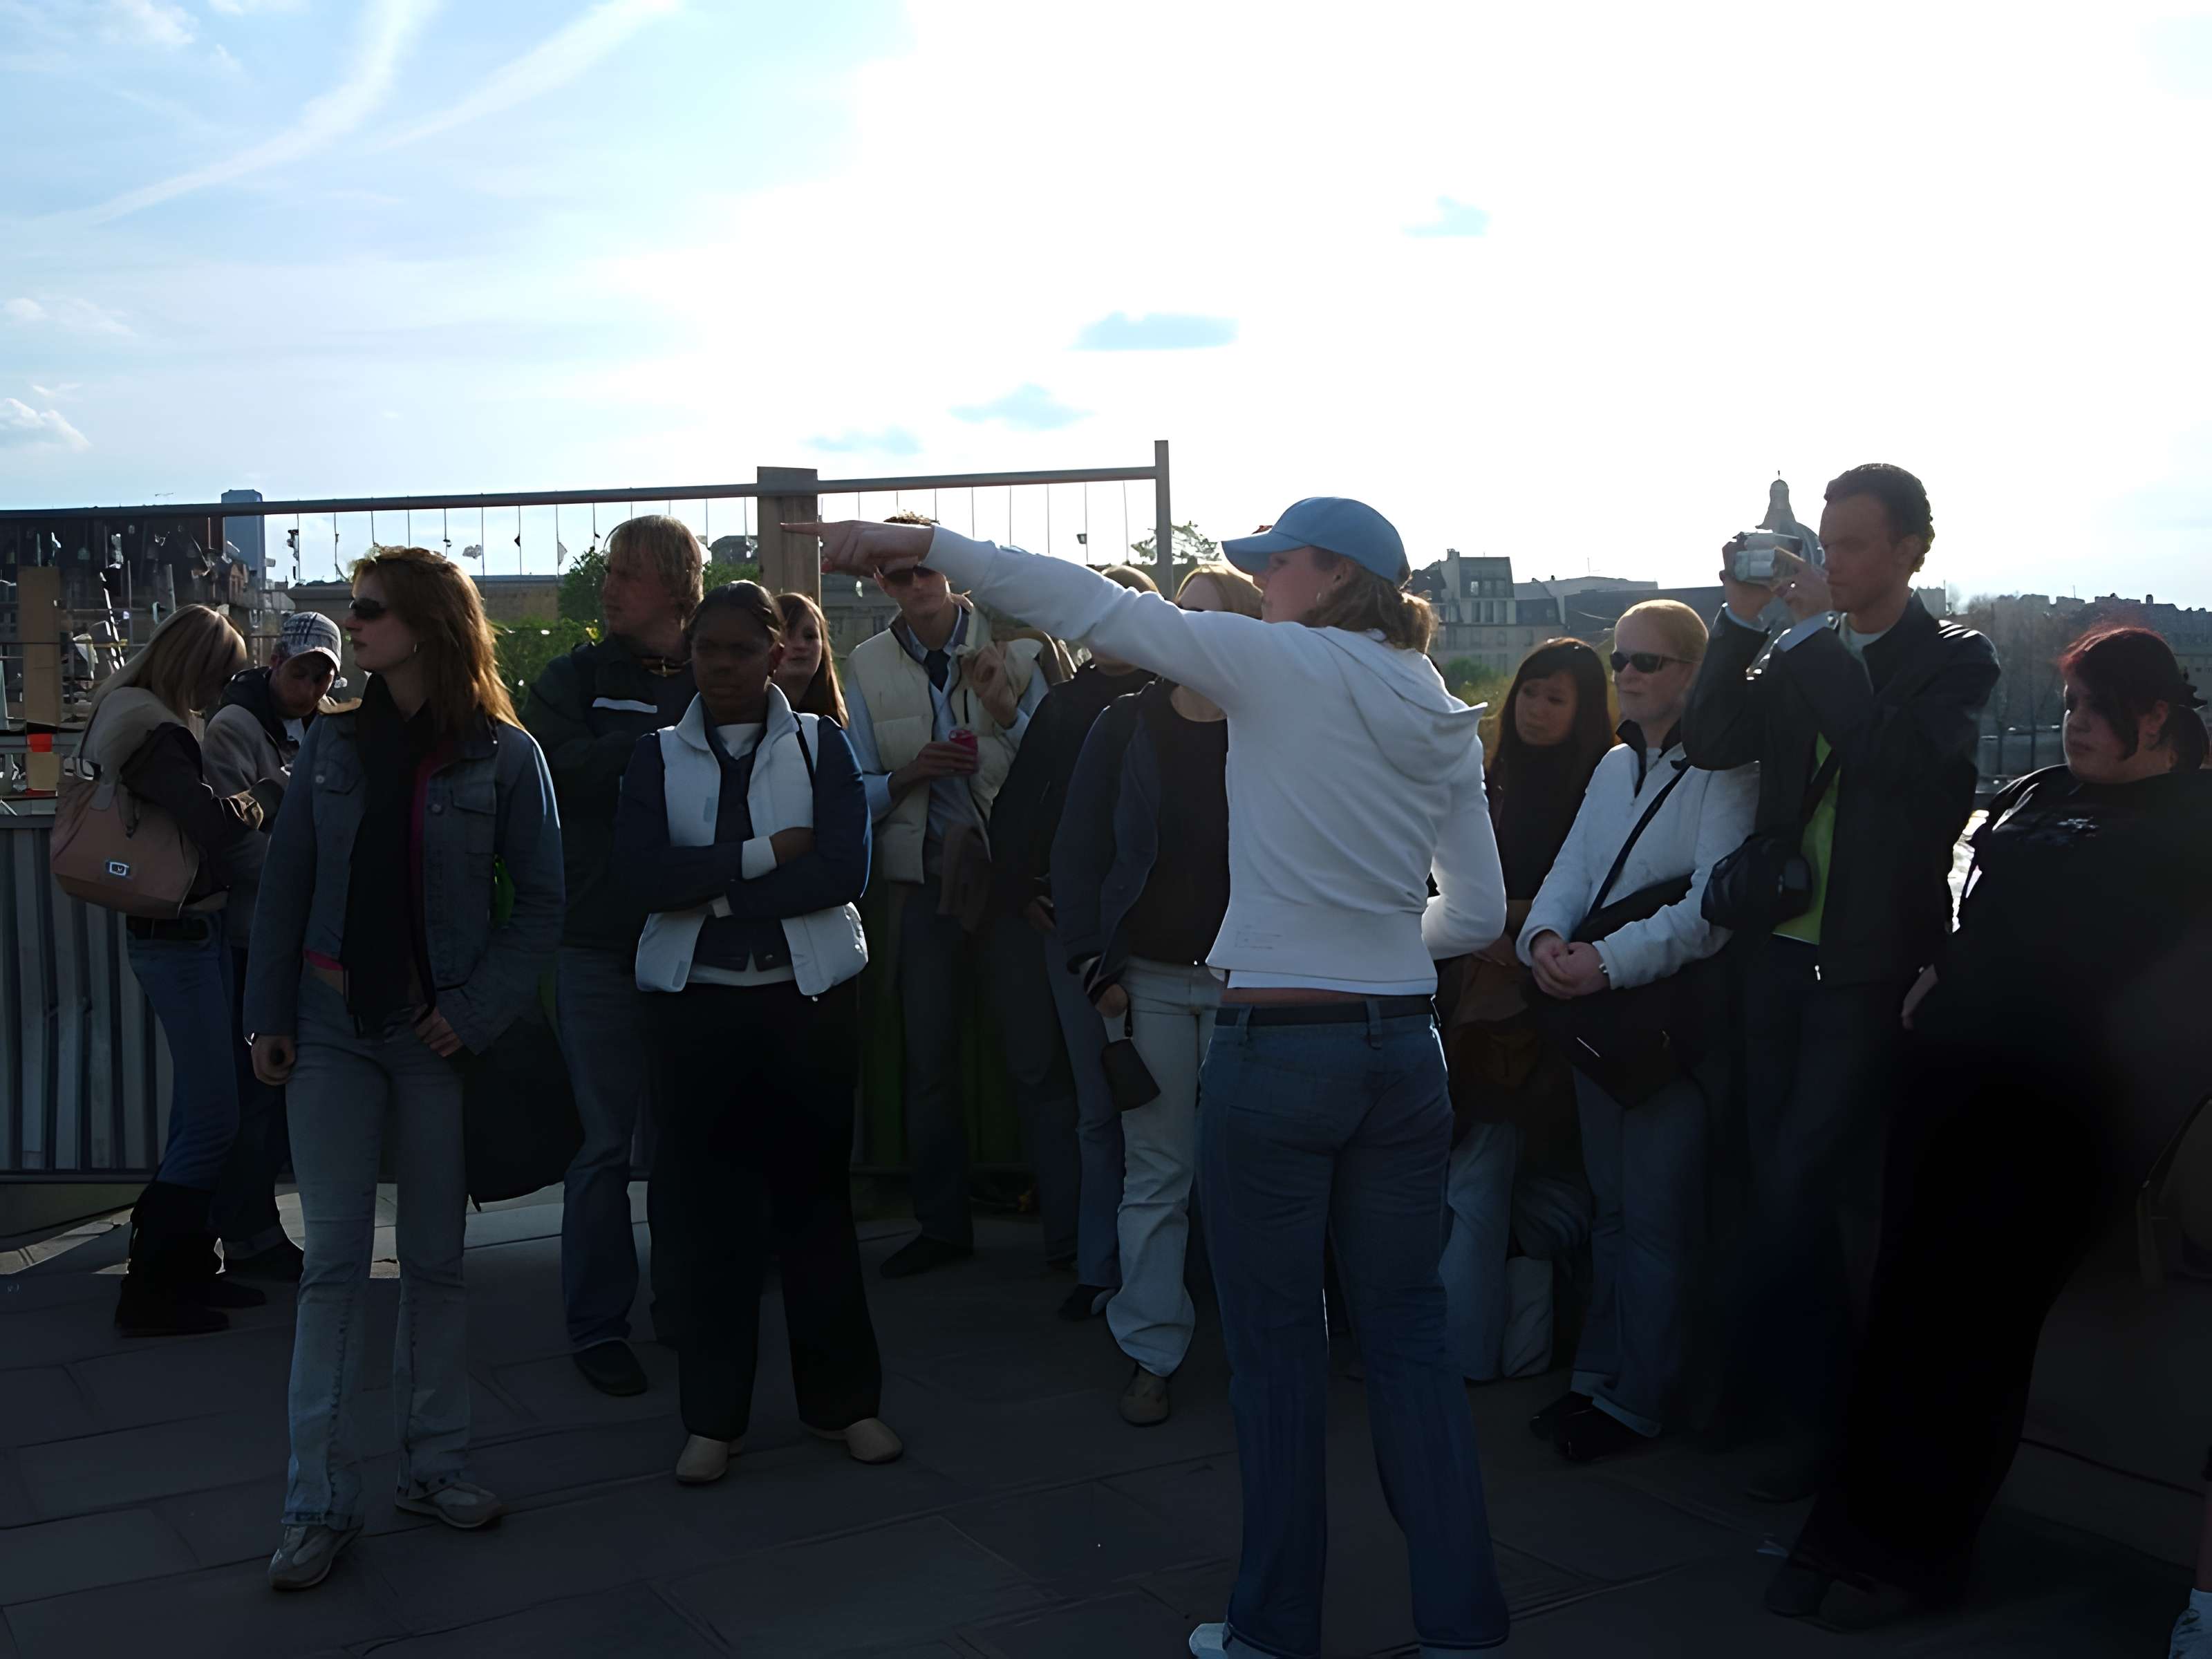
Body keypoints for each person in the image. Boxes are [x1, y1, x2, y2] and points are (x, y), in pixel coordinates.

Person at [800, 497, 1513, 1659]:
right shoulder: (1435, 705)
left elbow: (1090, 605)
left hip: (1283, 1048)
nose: (1262, 581)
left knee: (1278, 1353)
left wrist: (934, 545)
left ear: (1332, 576)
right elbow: (1476, 912)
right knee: (1409, 1342)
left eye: (1276, 564)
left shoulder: (1282, 664)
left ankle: (1277, 1629)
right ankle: (1464, 1627)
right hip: (1403, 1051)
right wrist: (1372, 941)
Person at [1768, 625, 2212, 1628]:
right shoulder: (2042, 793)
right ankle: (1845, 1533)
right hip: (1950, 1085)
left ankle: (1915, 1555)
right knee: (1903, 1308)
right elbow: (1982, 910)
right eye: (2069, 707)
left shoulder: (2198, 819)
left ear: (2157, 717)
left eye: (2097, 710)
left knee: (1977, 1328)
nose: (2076, 726)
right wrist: (1940, 971)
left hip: (2066, 1108)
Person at [1682, 462, 1998, 1500]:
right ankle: (1812, 1414)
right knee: (1777, 1179)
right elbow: (1711, 739)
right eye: (1827, 542)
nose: (1834, 561)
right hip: (1780, 947)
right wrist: (1734, 626)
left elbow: (1890, 761)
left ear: (1913, 551)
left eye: (1856, 544)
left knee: (1799, 1180)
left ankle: (1757, 1395)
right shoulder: (1787, 648)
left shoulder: (1953, 658)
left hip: (1866, 963)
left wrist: (1812, 641)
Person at [248, 545, 563, 1592]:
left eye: (369, 612)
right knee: (334, 1265)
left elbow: (545, 905)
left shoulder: (507, 758)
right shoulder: (331, 748)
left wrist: (474, 1015)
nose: (354, 626)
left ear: (425, 625)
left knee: (433, 1260)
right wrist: (267, 1019)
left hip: (434, 1036)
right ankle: (316, 1504)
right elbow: (287, 883)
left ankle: (435, 1466)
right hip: (332, 1024)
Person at [617, 581, 897, 1483]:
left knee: (816, 1207)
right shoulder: (655, 757)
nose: (724, 666)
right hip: (696, 1004)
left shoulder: (822, 746)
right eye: (709, 650)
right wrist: (758, 860)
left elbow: (841, 871)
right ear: (690, 656)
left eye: (742, 650)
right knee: (710, 1220)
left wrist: (721, 892)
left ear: (776, 656)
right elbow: (647, 879)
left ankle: (842, 1404)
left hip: (806, 1000)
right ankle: (714, 1418)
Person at [1516, 601, 1757, 1461]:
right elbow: (1572, 868)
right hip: (1604, 1013)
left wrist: (1599, 964)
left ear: (1694, 673)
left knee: (1656, 1220)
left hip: (1664, 1029)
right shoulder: (1616, 763)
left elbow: (1710, 913)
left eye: (1649, 663)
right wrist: (1542, 938)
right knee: (1614, 1211)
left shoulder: (1727, 768)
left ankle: (1641, 1397)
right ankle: (1600, 1378)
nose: (1626, 674)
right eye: (1621, 659)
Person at [1051, 563, 1260, 1424]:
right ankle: (1150, 1348)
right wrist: (1091, 964)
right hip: (1150, 982)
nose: (1185, 630)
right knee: (1157, 1173)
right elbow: (1079, 848)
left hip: (1252, 984)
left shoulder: (1269, 723)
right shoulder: (1123, 725)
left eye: (1205, 618)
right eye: (1177, 615)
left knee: (1254, 1174)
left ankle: (1269, 1348)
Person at [839, 511, 1064, 1280]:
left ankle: (1067, 1235)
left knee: (1034, 1060)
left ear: (948, 571)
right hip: (928, 877)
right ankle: (941, 1224)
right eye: (895, 576)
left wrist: (1004, 708)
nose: (913, 588)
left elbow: (1060, 768)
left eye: (922, 570)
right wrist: (911, 775)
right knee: (927, 1058)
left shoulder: (1021, 650)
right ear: (878, 583)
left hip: (1007, 881)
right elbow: (856, 787)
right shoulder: (866, 664)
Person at [525, 515, 700, 1397]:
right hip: (595, 940)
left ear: (675, 584)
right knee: (602, 1143)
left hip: (695, 936)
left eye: (629, 573)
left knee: (683, 1137)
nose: (609, 586)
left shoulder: (720, 667)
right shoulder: (572, 677)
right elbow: (558, 773)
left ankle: (683, 1305)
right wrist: (672, 752)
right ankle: (596, 1325)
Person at [86, 606, 280, 1338]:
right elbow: (215, 825)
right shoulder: (158, 733)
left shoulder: (136, 715)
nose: (223, 689)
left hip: (177, 936)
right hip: (180, 937)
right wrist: (265, 792)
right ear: (194, 667)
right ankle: (153, 1292)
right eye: (219, 674)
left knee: (200, 1110)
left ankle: (188, 1271)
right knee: (212, 1115)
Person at [1437, 637, 1613, 1385]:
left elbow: (1588, 895)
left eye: (1556, 697)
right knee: (1480, 1185)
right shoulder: (1488, 773)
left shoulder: (1593, 787)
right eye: (1530, 692)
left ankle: (1460, 1354)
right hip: (1468, 1000)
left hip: (1527, 1014)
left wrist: (1496, 919)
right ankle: (1498, 1341)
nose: (1537, 710)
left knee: (1478, 1184)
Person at [987, 563, 1159, 1320]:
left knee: (1166, 1116)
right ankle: (1099, 1266)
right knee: (1098, 1105)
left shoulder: (1187, 702)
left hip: (1168, 941)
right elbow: (1017, 815)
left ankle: (1176, 1269)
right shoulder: (1063, 709)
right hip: (1075, 934)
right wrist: (1025, 892)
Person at [200, 610, 344, 1283]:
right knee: (256, 1092)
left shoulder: (322, 728)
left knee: (281, 1092)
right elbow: (232, 841)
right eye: (302, 669)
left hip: (299, 939)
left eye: (322, 674)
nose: (311, 684)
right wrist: (309, 869)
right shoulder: (234, 728)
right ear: (275, 663)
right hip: (253, 936)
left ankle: (252, 1225)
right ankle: (248, 1229)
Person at [773, 589, 848, 724]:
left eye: (810, 636)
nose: (800, 645)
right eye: (787, 635)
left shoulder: (844, 720)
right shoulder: (747, 720)